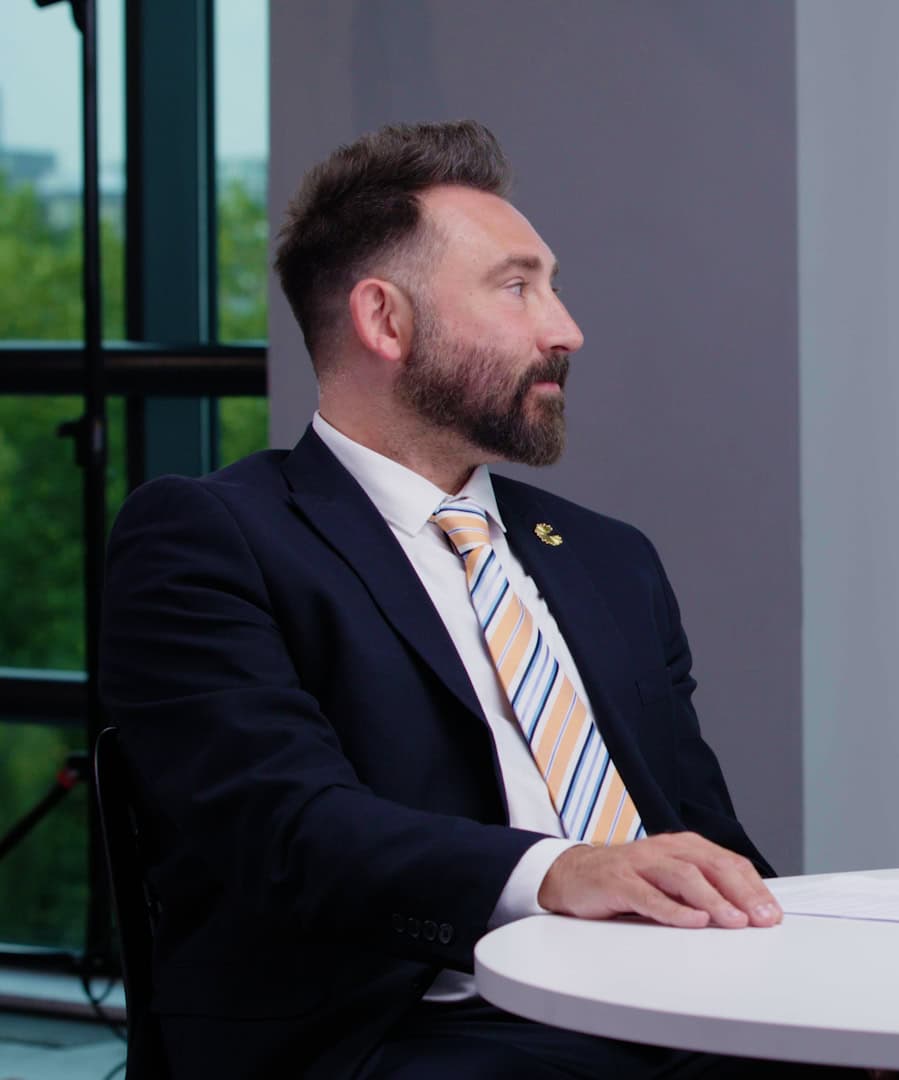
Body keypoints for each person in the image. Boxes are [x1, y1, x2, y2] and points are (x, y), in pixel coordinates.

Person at [100, 121, 808, 1079]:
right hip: (401, 1035)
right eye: (518, 287)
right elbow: (289, 827)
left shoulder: (608, 559)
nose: (565, 329)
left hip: (671, 1005)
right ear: (384, 320)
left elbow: (702, 839)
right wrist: (555, 871)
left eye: (551, 287)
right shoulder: (210, 539)